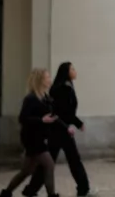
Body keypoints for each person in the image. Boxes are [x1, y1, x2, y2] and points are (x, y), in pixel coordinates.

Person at [23, 63, 92, 197]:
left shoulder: (66, 86)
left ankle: (31, 189)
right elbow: (62, 111)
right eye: (72, 69)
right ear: (66, 72)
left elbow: (66, 111)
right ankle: (83, 189)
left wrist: (74, 124)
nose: (75, 71)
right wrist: (76, 124)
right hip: (60, 130)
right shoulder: (62, 89)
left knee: (53, 162)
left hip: (60, 129)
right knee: (71, 160)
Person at [0, 69, 65, 197]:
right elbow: (22, 118)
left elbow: (53, 116)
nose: (50, 79)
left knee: (26, 170)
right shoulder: (31, 98)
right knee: (49, 164)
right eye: (47, 77)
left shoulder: (46, 97)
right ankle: (52, 195)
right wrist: (41, 120)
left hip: (40, 136)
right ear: (40, 80)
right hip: (31, 138)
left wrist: (66, 127)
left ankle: (6, 193)